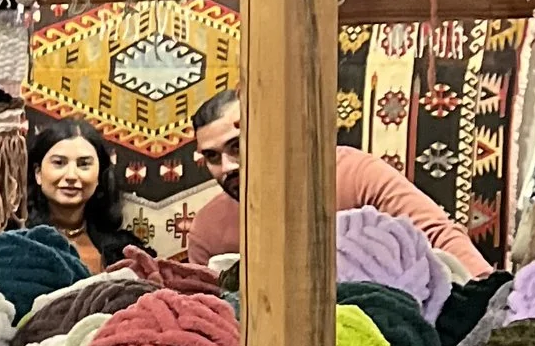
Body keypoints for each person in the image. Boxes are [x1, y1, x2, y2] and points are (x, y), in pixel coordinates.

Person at [183, 85, 490, 276]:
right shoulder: (208, 229)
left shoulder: (352, 174)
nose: (226, 167)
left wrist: (489, 303)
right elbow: (205, 309)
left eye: (237, 146)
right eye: (212, 157)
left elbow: (436, 234)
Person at [26, 115, 137, 275]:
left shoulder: (125, 252)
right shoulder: (13, 244)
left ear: (99, 175)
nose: (71, 175)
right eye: (59, 163)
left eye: (84, 164)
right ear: (38, 173)